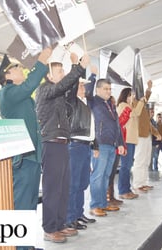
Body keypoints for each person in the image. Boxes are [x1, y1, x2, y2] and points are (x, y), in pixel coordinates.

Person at [0, 48, 52, 250]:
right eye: (17, 68)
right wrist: (42, 62)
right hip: (23, 159)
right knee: (23, 207)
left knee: (30, 205)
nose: (21, 70)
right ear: (7, 75)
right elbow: (30, 84)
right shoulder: (7, 93)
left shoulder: (19, 95)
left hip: (31, 157)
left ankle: (26, 245)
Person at [35, 53, 89, 243]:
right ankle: (49, 228)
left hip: (62, 143)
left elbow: (69, 89)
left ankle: (59, 224)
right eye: (60, 71)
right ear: (50, 76)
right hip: (50, 143)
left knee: (63, 187)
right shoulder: (44, 90)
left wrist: (76, 68)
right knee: (52, 188)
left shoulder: (57, 92)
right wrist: (79, 67)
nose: (63, 73)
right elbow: (63, 86)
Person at [65, 66, 99, 231]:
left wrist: (93, 75)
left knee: (82, 183)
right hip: (75, 145)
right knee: (73, 183)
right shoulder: (71, 101)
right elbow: (73, 86)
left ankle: (78, 214)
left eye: (84, 86)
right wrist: (79, 68)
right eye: (80, 86)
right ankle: (70, 217)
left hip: (85, 146)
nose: (84, 88)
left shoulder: (85, 103)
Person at [86, 79, 125, 217]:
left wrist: (120, 143)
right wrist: (93, 75)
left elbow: (117, 126)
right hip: (99, 144)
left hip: (112, 145)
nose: (108, 91)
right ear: (98, 89)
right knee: (98, 175)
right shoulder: (93, 101)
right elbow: (87, 89)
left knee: (106, 176)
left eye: (110, 89)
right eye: (105, 89)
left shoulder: (111, 104)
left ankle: (103, 203)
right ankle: (95, 205)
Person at [132, 81, 161, 193]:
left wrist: (155, 133)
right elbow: (143, 99)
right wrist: (147, 90)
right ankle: (137, 184)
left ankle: (143, 182)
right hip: (139, 136)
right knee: (140, 160)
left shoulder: (142, 106)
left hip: (146, 135)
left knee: (146, 161)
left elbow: (148, 123)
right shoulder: (135, 104)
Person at [116, 87, 144, 200]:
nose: (132, 97)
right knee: (125, 166)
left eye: (132, 95)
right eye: (130, 95)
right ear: (125, 96)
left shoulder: (129, 106)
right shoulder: (123, 105)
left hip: (130, 139)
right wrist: (141, 101)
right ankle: (123, 190)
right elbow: (136, 113)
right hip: (126, 139)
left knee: (127, 166)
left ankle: (126, 189)